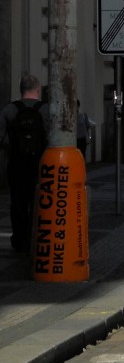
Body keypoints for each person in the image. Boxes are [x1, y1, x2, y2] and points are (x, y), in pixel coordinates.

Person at [1, 74, 49, 254]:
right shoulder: (46, 110)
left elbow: (1, 138)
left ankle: (20, 240)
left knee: (18, 203)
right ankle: (36, 238)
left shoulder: (9, 110)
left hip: (16, 164)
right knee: (39, 202)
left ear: (21, 90)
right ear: (38, 89)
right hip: (41, 164)